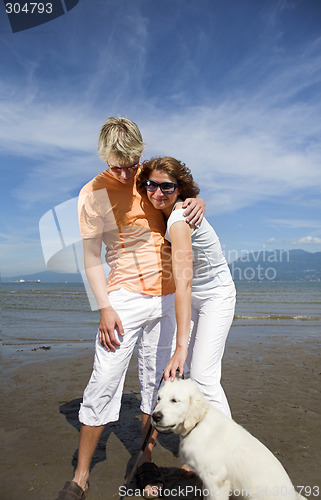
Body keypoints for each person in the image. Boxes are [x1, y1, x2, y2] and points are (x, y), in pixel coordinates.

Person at [56, 118, 205, 500]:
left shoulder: (148, 177)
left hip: (169, 296)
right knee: (104, 381)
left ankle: (145, 460)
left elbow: (181, 196)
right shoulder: (93, 193)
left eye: (131, 163)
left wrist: (198, 200)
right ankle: (82, 474)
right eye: (116, 164)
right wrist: (104, 308)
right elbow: (91, 259)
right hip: (123, 297)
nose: (125, 173)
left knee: (157, 383)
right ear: (103, 156)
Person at [136, 156, 236, 418]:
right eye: (151, 185)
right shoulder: (169, 211)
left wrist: (180, 348)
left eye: (167, 187)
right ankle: (199, 446)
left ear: (178, 189)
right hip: (192, 295)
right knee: (190, 373)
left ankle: (228, 447)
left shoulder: (178, 219)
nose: (158, 192)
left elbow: (184, 283)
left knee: (203, 376)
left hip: (215, 294)